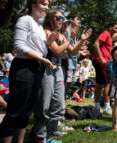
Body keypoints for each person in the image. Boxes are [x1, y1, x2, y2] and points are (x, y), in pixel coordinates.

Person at [0, 0, 57, 143]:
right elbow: (19, 47)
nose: (46, 8)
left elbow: (38, 48)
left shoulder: (38, 26)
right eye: (44, 4)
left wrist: (48, 43)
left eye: (48, 6)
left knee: (26, 112)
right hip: (24, 68)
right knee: (15, 111)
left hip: (37, 67)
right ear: (32, 5)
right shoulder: (25, 20)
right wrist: (41, 58)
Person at [33, 10, 92, 142]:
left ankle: (52, 129)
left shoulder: (61, 35)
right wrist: (69, 39)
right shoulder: (47, 32)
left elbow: (74, 52)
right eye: (58, 17)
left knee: (59, 103)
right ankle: (41, 135)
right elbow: (58, 50)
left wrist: (81, 40)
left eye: (62, 18)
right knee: (44, 104)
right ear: (50, 18)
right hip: (47, 68)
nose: (62, 20)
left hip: (58, 68)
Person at [92, 22, 117, 114]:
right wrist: (102, 58)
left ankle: (97, 107)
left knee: (99, 83)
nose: (116, 30)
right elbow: (96, 44)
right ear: (110, 27)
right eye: (115, 28)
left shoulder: (109, 37)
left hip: (101, 60)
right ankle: (107, 107)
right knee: (107, 83)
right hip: (101, 61)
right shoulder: (106, 33)